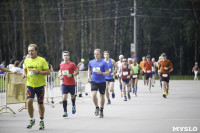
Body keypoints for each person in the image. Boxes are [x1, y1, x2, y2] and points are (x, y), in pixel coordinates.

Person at [23, 44, 50, 130]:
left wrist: (38, 72)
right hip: (30, 85)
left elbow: (48, 72)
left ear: (36, 51)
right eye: (29, 51)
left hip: (40, 85)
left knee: (40, 104)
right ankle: (32, 119)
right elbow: (25, 69)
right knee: (29, 102)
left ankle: (41, 120)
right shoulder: (26, 60)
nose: (30, 52)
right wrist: (24, 74)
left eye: (32, 50)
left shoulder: (42, 60)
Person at [88, 49, 109, 118]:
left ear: (100, 54)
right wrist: (88, 76)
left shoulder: (104, 63)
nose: (96, 55)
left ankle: (101, 109)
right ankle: (97, 107)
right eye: (95, 54)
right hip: (94, 80)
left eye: (97, 54)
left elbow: (107, 73)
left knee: (102, 96)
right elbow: (89, 69)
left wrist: (102, 73)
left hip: (102, 81)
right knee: (93, 95)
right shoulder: (91, 62)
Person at [59, 51, 79, 117]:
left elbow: (77, 72)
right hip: (64, 83)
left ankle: (73, 105)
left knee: (72, 96)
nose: (65, 56)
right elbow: (61, 72)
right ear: (62, 57)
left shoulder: (72, 64)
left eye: (67, 55)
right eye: (64, 55)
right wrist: (60, 77)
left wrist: (72, 75)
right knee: (64, 97)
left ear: (69, 56)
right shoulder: (61, 65)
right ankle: (65, 112)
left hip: (71, 83)